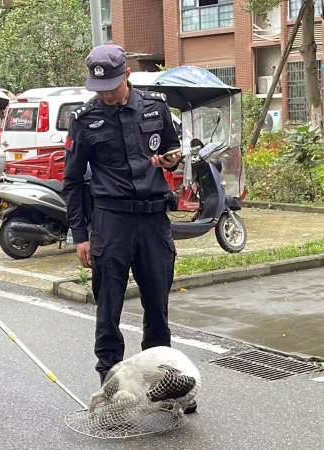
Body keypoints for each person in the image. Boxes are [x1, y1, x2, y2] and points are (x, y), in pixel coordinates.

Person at [61, 45, 189, 407]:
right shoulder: (85, 120)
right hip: (110, 221)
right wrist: (80, 236)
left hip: (152, 220)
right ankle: (111, 384)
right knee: (108, 307)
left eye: (112, 85)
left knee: (157, 306)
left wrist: (171, 159)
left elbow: (172, 151)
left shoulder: (156, 108)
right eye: (98, 86)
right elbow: (72, 182)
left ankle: (164, 382)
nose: (105, 92)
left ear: (127, 76)